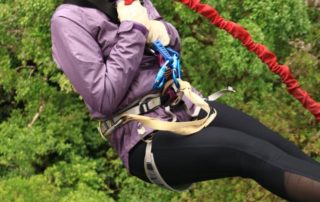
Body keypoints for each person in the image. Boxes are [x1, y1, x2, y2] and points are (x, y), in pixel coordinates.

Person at [50, 0, 320, 201]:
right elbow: (103, 96)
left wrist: (161, 31)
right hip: (145, 138)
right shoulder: (68, 20)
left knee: (281, 148)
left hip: (186, 107)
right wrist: (133, 29)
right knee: (248, 153)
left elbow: (172, 47)